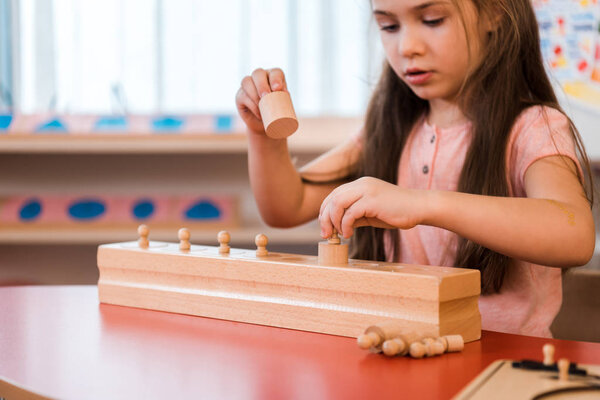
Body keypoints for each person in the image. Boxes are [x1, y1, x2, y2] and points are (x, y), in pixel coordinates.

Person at [234, 0, 595, 338]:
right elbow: (286, 206)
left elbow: (575, 233)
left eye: (432, 20)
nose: (407, 46)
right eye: (389, 26)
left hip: (500, 364)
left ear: (494, 13)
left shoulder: (533, 128)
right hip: (399, 355)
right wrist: (263, 135)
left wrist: (421, 204)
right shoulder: (388, 130)